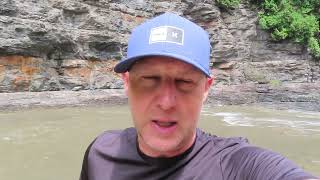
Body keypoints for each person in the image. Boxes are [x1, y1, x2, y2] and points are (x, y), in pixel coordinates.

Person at [80, 12, 318, 180]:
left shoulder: (233, 166)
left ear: (206, 89)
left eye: (184, 82)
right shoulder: (101, 153)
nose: (166, 102)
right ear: (127, 83)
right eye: (150, 80)